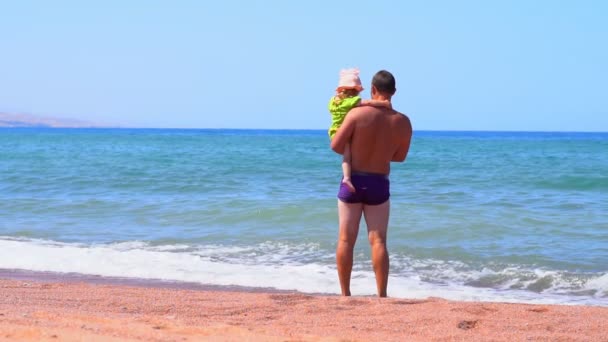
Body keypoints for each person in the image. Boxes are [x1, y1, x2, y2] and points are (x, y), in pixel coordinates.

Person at [330, 70, 412, 297]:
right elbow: (400, 157)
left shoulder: (356, 115)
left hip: (352, 179)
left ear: (373, 90)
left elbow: (336, 146)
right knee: (379, 241)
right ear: (393, 92)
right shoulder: (403, 122)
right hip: (379, 183)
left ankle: (345, 294)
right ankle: (381, 295)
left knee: (346, 238)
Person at [328, 68, 391, 193]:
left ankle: (347, 177)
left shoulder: (332, 102)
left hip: (334, 131)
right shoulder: (353, 101)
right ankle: (346, 178)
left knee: (346, 156)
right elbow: (368, 102)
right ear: (355, 90)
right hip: (345, 131)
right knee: (347, 157)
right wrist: (384, 104)